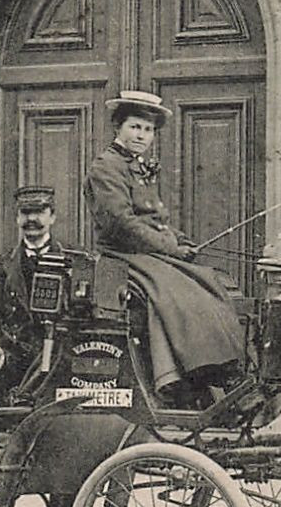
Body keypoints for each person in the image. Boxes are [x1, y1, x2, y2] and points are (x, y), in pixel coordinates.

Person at [84, 90, 245, 401]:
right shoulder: (106, 167)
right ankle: (196, 375)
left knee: (212, 280)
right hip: (123, 256)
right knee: (185, 292)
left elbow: (152, 218)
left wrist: (179, 238)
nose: (141, 135)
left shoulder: (136, 166)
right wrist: (170, 249)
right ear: (118, 127)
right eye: (135, 127)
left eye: (147, 130)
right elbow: (120, 223)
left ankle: (215, 371)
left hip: (148, 251)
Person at [0, 184, 68, 402]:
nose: (31, 219)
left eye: (39, 212)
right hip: (16, 352)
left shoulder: (72, 259)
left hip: (59, 353)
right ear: (17, 219)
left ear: (52, 217)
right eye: (25, 213)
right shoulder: (4, 263)